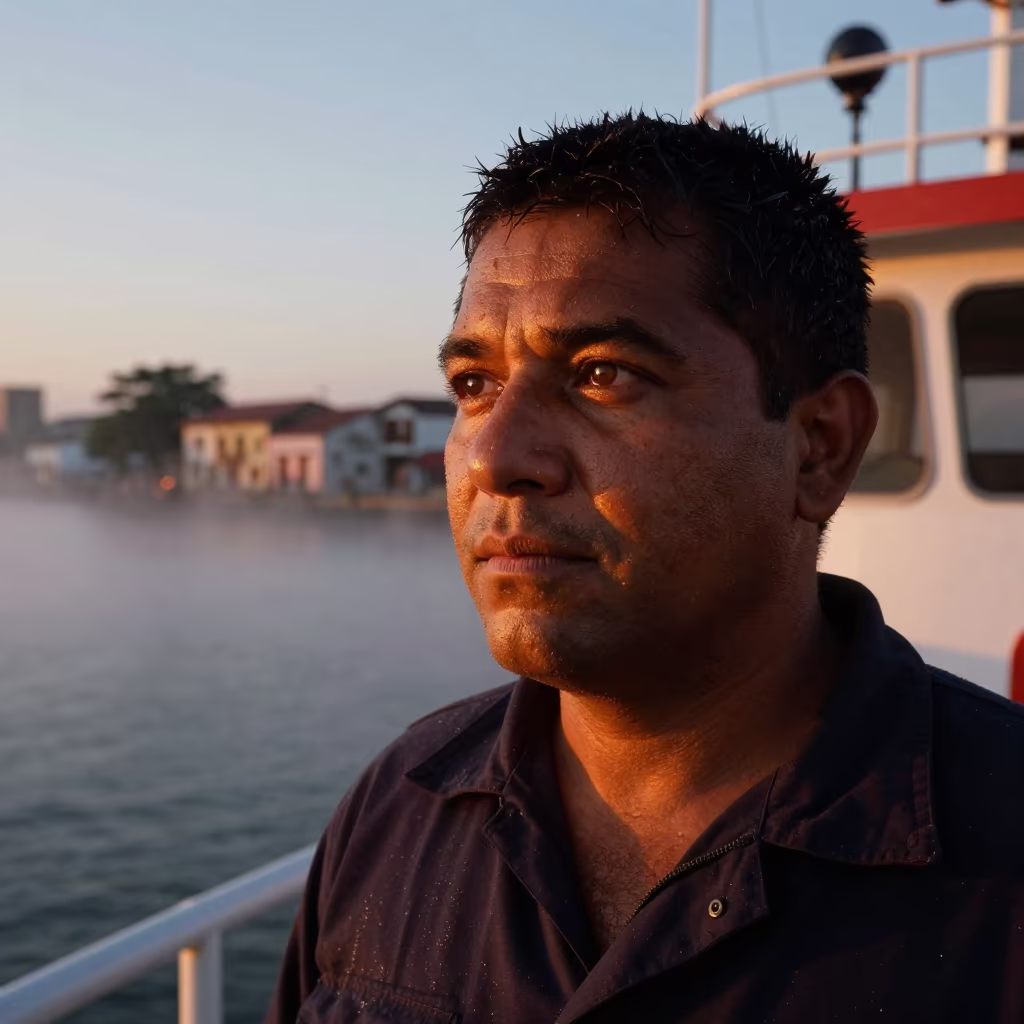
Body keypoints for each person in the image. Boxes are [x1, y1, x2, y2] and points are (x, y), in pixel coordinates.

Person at [265, 114, 1024, 1024]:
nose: (495, 456)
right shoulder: (400, 806)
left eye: (603, 374)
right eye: (475, 384)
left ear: (819, 448)